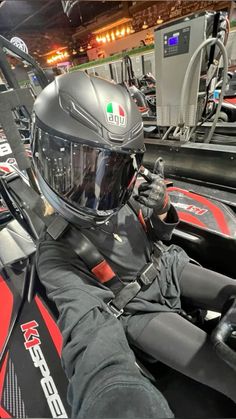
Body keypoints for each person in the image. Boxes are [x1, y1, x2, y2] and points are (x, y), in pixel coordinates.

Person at [32, 71, 236, 417]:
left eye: (111, 166)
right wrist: (116, 401)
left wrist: (162, 208)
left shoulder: (121, 190)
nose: (100, 183)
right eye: (83, 166)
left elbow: (159, 236)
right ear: (51, 159)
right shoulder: (56, 251)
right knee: (228, 373)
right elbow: (88, 330)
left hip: (168, 266)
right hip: (136, 308)